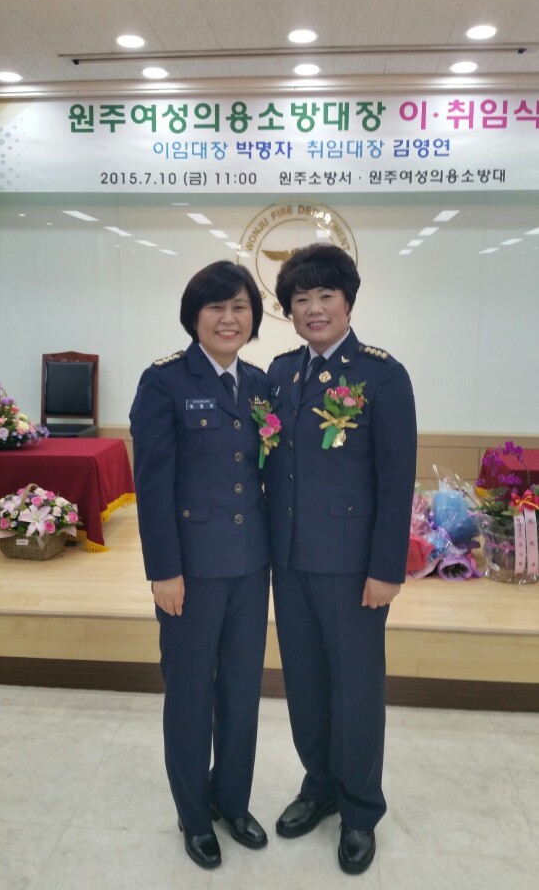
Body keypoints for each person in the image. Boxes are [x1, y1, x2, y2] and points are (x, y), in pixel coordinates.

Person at [265, 243, 416, 875]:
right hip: (289, 559)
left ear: (348, 301)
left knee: (355, 689)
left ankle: (359, 808)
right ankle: (320, 783)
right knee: (304, 681)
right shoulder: (279, 374)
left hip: (354, 569)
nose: (314, 308)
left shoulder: (381, 375)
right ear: (289, 311)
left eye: (325, 295)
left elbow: (396, 480)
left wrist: (386, 569)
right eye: (301, 299)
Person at [130, 261, 271, 870]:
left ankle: (231, 800)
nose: (228, 318)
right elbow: (152, 486)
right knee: (190, 695)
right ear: (194, 316)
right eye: (216, 307)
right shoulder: (164, 381)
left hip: (251, 566)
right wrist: (163, 570)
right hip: (189, 571)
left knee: (242, 691)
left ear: (254, 318)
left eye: (240, 307)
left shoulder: (260, 383)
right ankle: (193, 816)